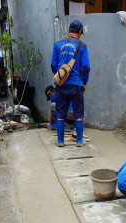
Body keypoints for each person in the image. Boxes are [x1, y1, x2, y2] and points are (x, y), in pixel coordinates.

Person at [51, 19, 90, 147]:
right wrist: (84, 81)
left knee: (61, 112)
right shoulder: (82, 46)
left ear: (69, 31)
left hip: (61, 85)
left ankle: (60, 141)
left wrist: (60, 77)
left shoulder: (57, 44)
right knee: (78, 113)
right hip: (76, 84)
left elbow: (53, 64)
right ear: (79, 32)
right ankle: (79, 141)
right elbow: (85, 68)